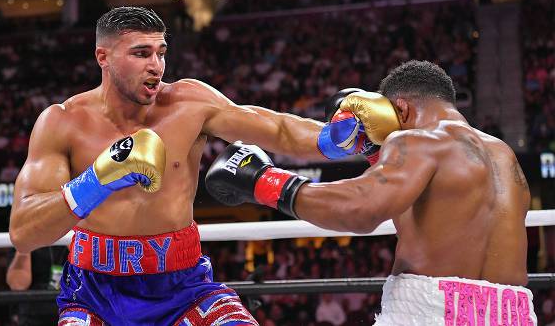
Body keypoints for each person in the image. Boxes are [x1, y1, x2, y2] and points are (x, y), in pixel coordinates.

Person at [8, 6, 328, 325]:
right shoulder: (62, 122)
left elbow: (281, 130)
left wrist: (338, 137)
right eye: (141, 53)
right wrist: (97, 179)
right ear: (103, 57)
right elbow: (23, 232)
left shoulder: (188, 104)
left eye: (161, 53)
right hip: (95, 295)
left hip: (184, 287)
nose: (156, 66)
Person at [206, 60, 537, 325]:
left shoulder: (416, 141)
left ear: (401, 109)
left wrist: (266, 182)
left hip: (432, 311)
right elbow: (441, 213)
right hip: (516, 312)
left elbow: (363, 208)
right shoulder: (503, 155)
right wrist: (376, 156)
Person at [6, 247, 69, 325]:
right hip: (32, 311)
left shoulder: (77, 238)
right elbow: (18, 285)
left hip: (72, 309)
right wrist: (25, 247)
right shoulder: (22, 239)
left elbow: (84, 279)